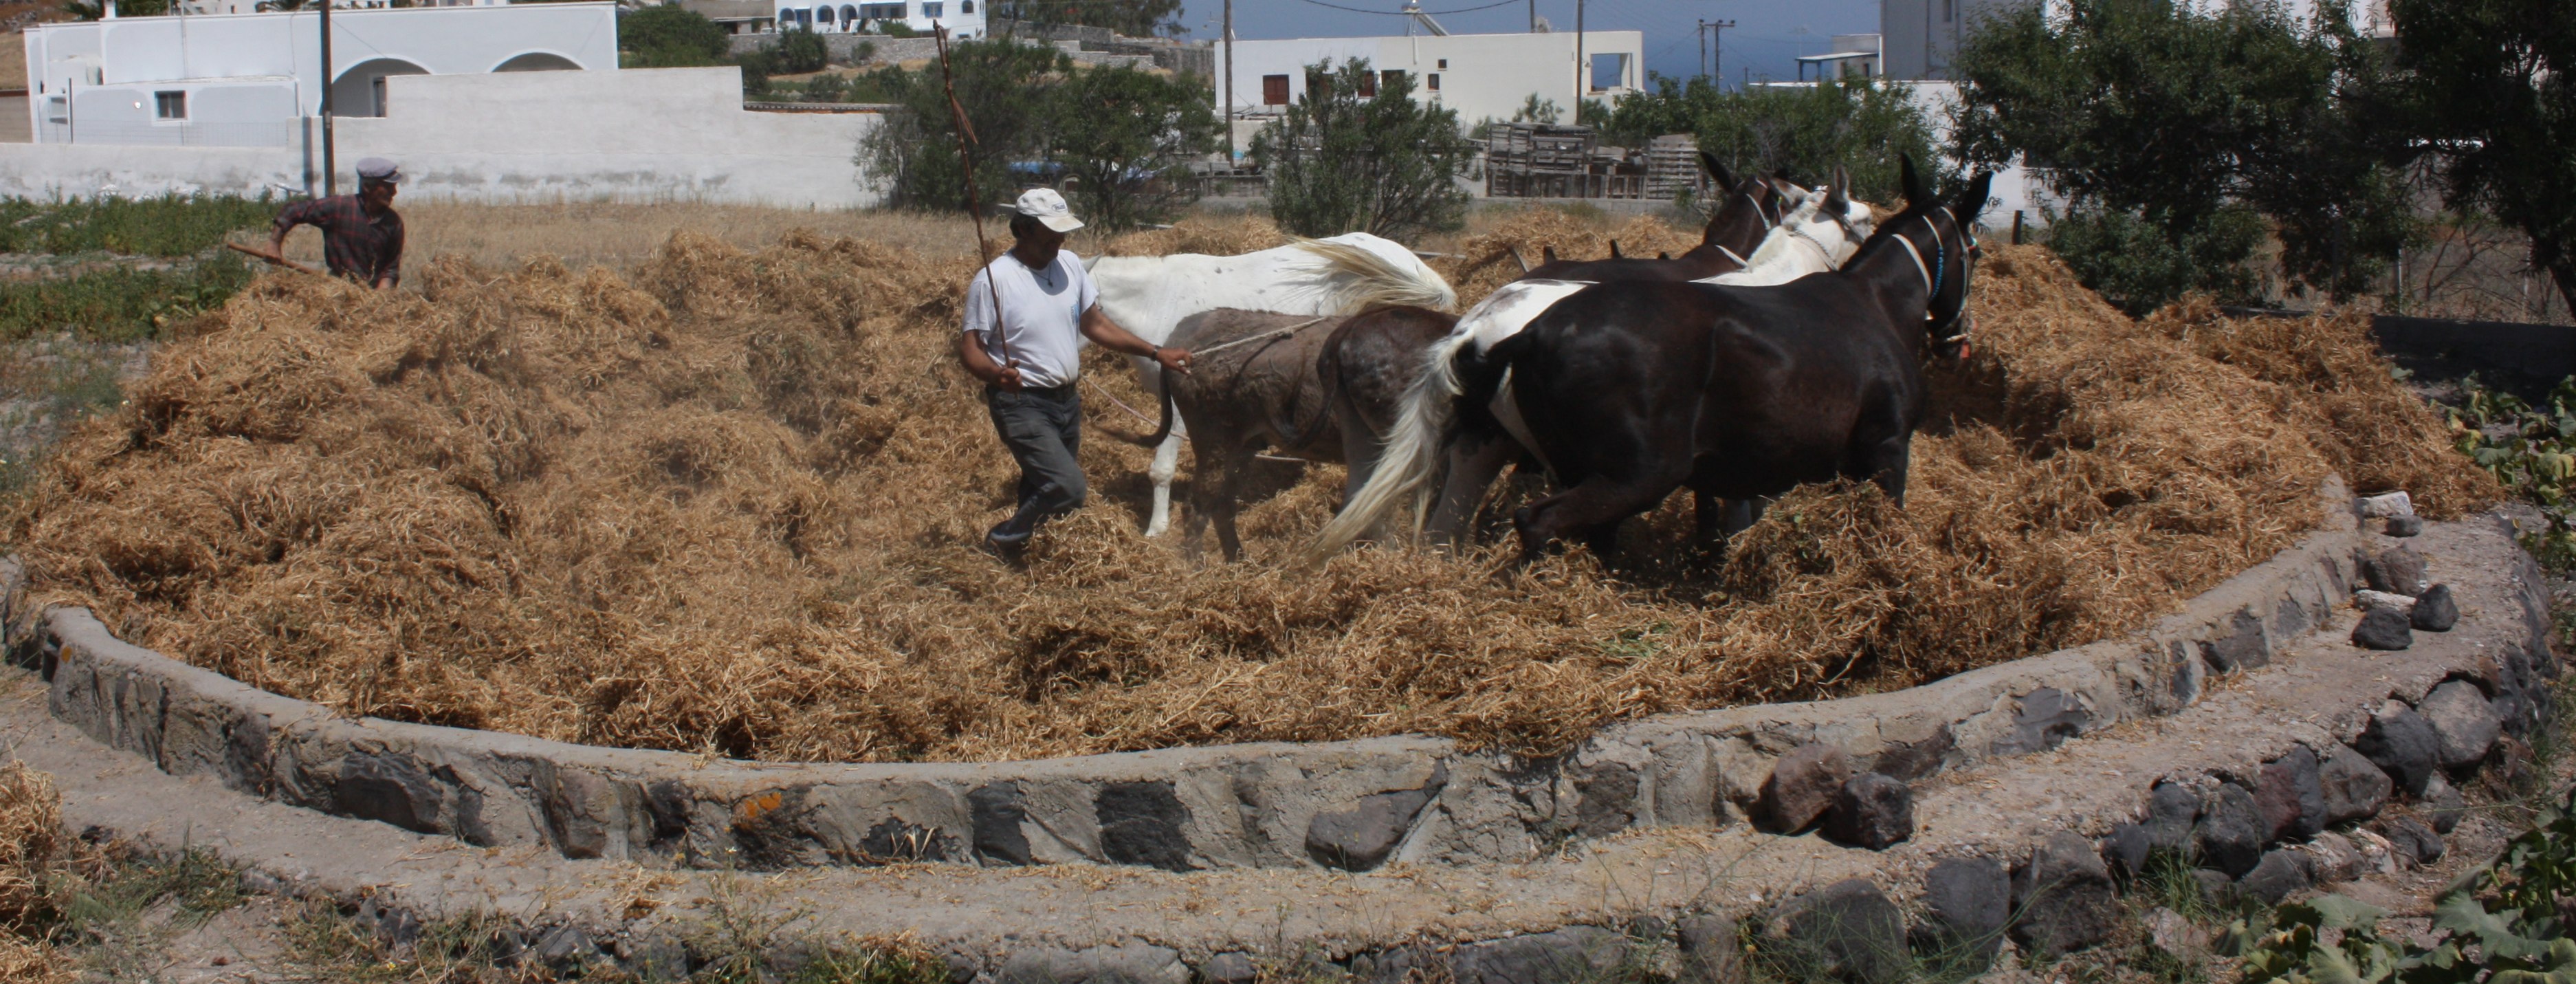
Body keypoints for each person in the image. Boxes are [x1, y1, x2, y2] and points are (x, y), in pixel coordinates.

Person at [960, 188, 1190, 562]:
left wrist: (1155, 351)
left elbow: (1095, 324)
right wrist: (996, 373)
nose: (1059, 240)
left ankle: (1021, 557)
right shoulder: (993, 280)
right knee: (1068, 488)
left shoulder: (1068, 265)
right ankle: (1001, 539)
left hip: (1066, 401)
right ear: (1023, 229)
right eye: (1049, 232)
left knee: (1042, 483)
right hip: (1022, 402)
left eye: (1062, 232)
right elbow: (970, 348)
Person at [267, 157, 406, 289]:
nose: (394, 192)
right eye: (388, 187)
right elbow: (292, 211)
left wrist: (378, 298)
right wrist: (274, 243)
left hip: (372, 294)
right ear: (368, 187)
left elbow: (390, 270)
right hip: (338, 289)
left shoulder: (393, 223)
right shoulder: (339, 207)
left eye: (394, 187)